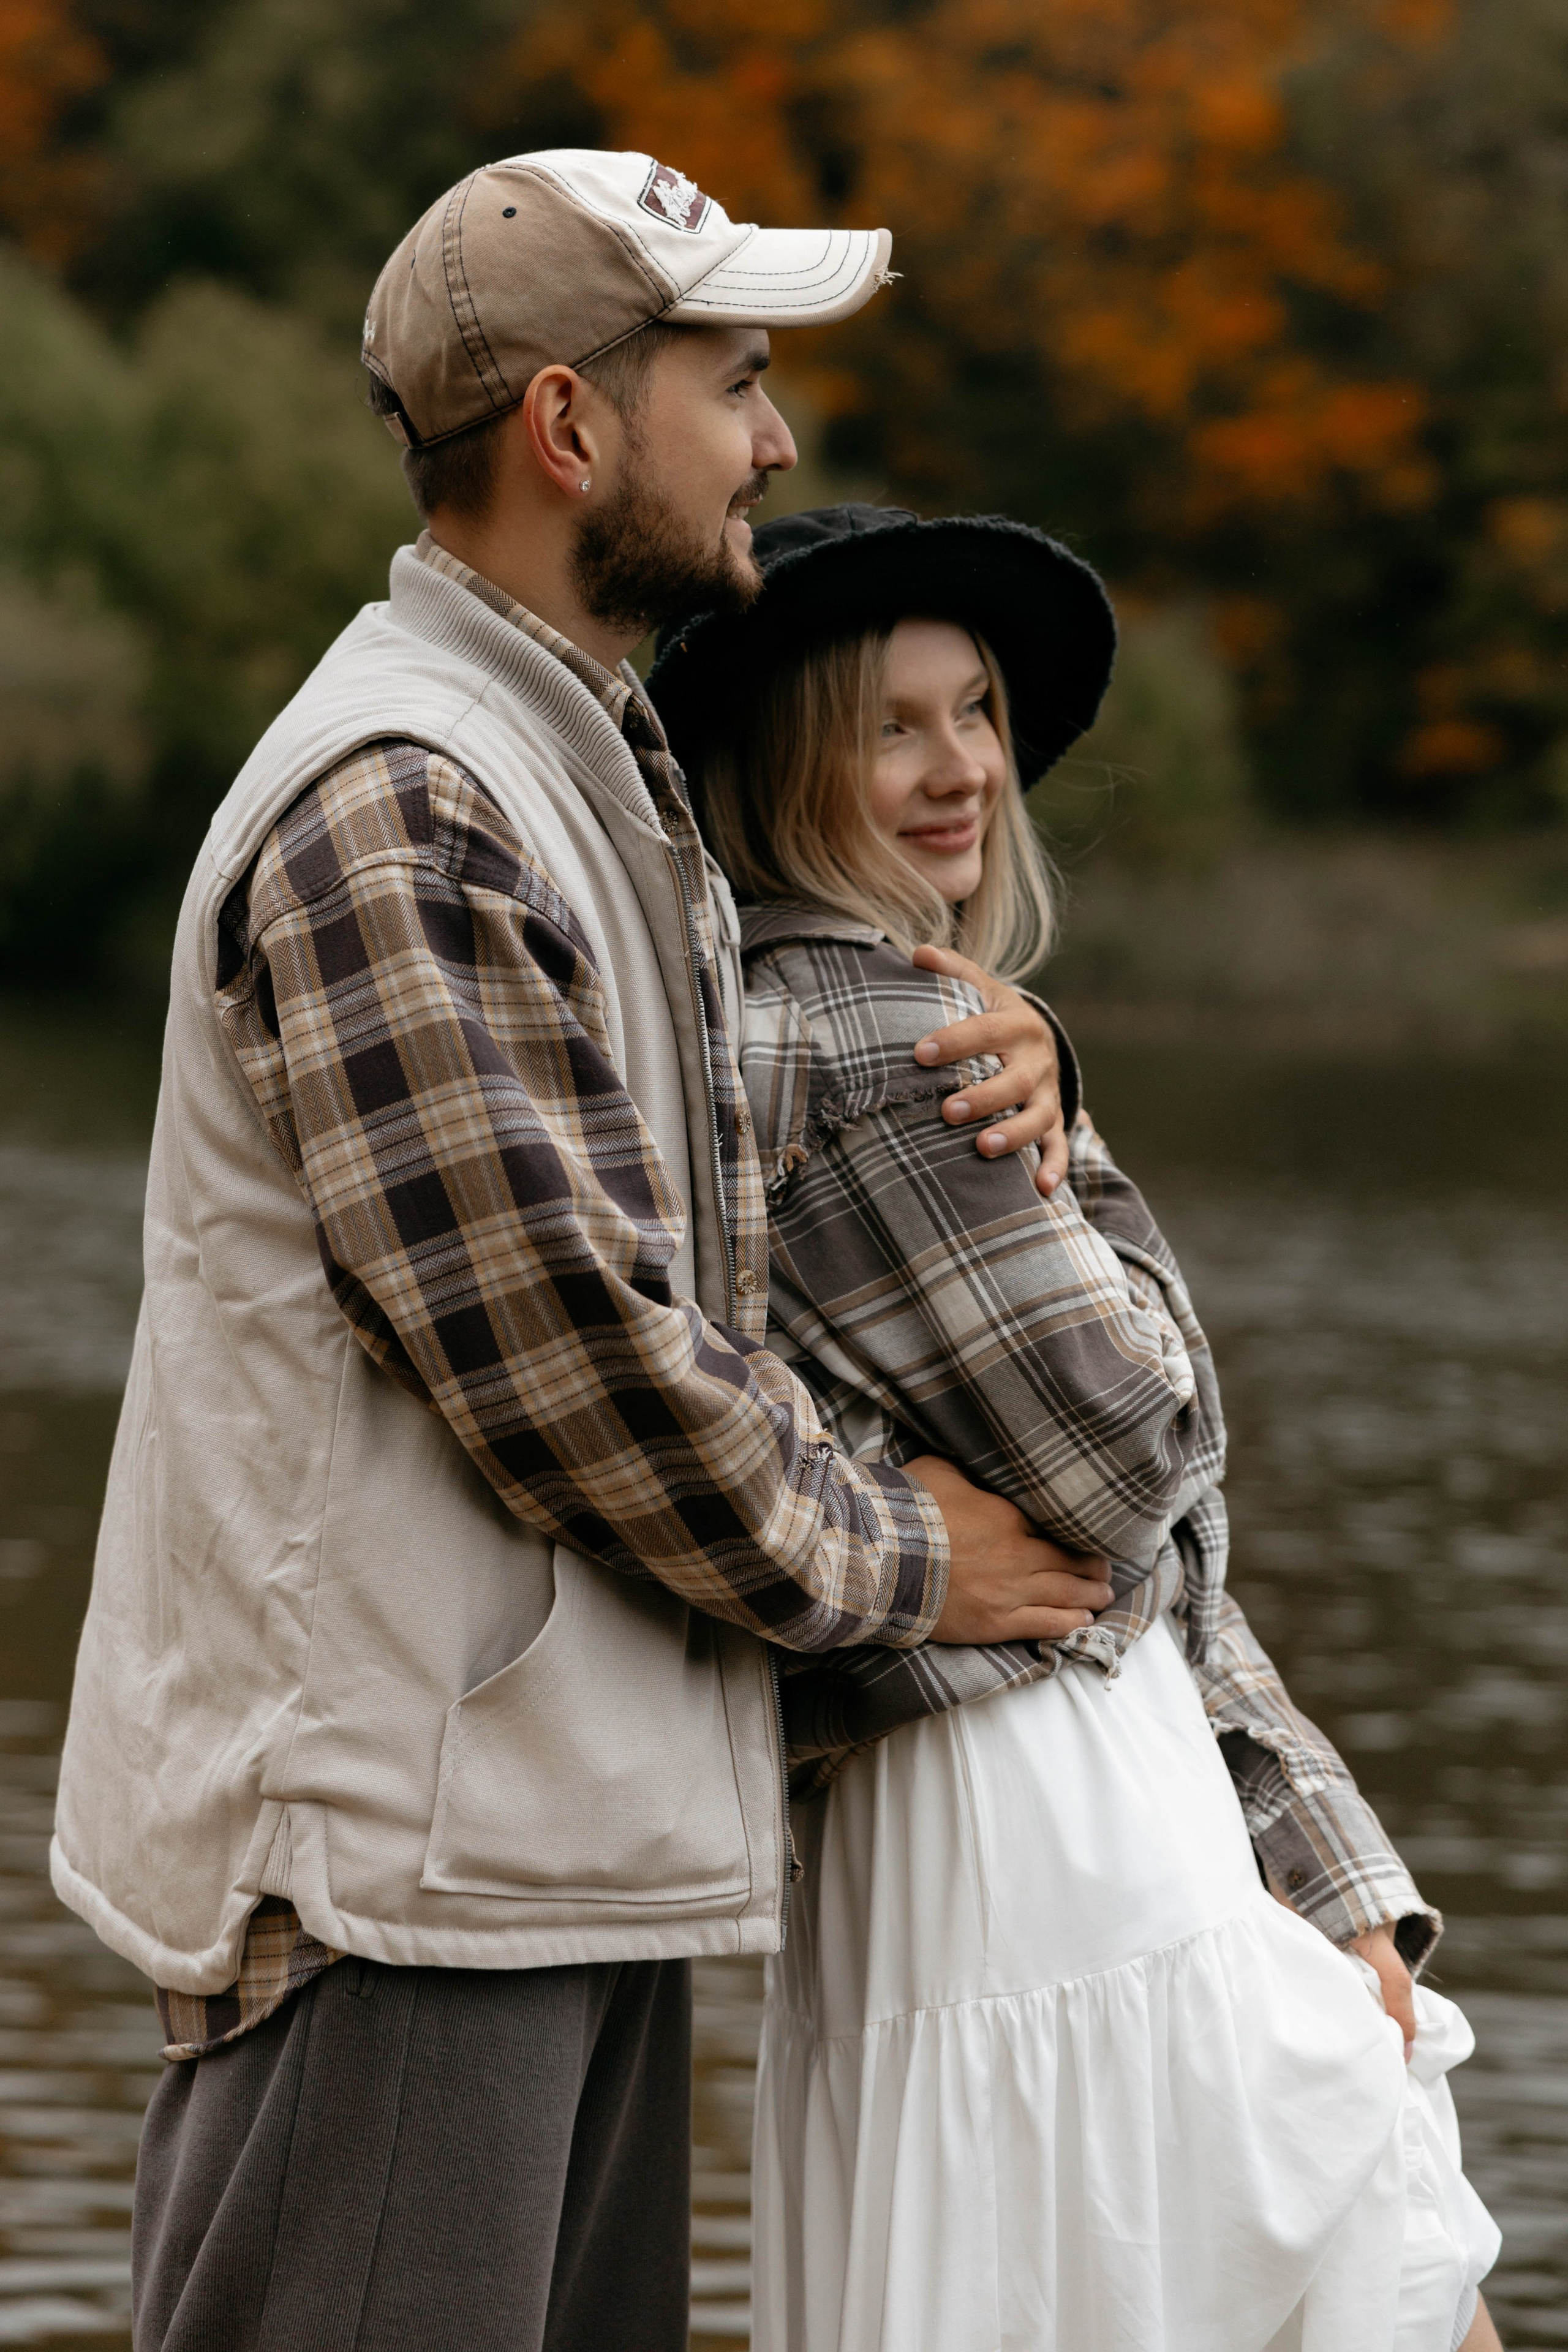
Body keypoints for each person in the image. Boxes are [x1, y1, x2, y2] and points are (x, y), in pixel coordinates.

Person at [49, 157, 1107, 2352]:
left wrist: (1006, 1036)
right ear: (568, 428)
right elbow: (572, 1353)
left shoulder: (581, 762)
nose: (778, 441)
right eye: (734, 382)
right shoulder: (400, 799)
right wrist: (911, 1558)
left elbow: (742, 1151)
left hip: (546, 1848)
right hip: (394, 1882)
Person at [648, 503, 1504, 2351]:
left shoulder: (803, 1020)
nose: (964, 769)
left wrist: (1312, 1857)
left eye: (975, 713)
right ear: (788, 762)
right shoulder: (890, 1039)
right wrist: (1076, 1123)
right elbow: (1140, 1454)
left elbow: (1136, 1541)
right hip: (1048, 1827)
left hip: (961, 1827)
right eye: (893, 725)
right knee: (1364, 2282)